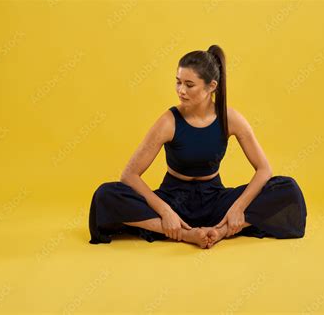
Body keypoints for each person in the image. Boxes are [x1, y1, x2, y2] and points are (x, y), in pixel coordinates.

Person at [88, 45, 307, 249]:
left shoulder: (230, 118)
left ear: (211, 86)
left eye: (189, 84)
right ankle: (184, 233)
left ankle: (220, 231)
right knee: (105, 194)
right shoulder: (168, 121)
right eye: (178, 82)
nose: (180, 90)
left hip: (215, 201)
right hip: (174, 200)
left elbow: (264, 169)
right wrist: (165, 211)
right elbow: (129, 175)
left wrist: (237, 208)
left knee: (287, 188)